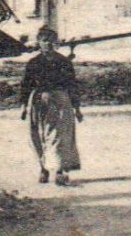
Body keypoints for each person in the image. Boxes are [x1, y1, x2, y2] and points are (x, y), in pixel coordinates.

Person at [19, 26, 83, 186]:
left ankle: (60, 171)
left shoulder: (64, 62)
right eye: (44, 40)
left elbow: (72, 85)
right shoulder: (33, 63)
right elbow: (26, 85)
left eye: (51, 41)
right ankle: (44, 168)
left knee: (60, 136)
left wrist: (77, 108)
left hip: (61, 101)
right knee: (39, 136)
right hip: (40, 102)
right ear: (39, 43)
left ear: (56, 43)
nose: (48, 44)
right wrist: (23, 106)